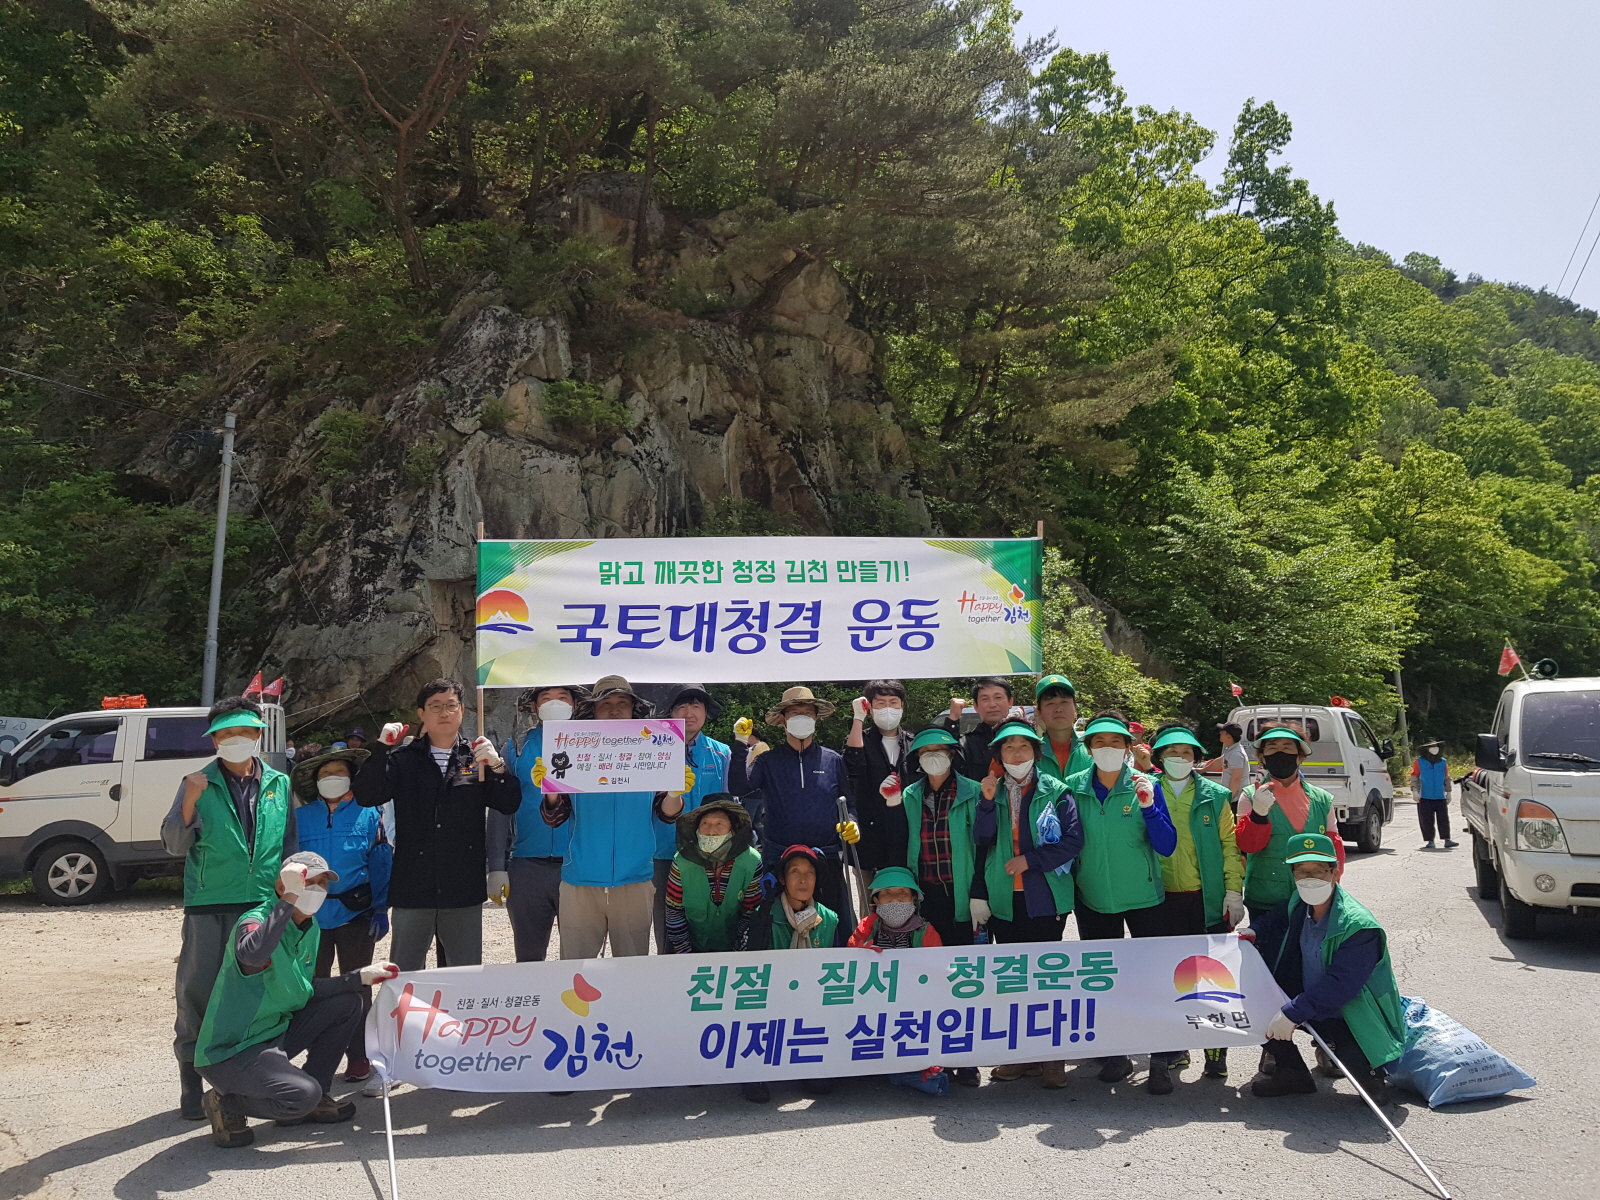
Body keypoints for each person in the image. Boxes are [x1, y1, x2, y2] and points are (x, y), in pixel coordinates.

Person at [194, 851, 400, 1147]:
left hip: (273, 1032)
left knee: (348, 1002)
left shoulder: (310, 928)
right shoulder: (255, 921)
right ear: (282, 887)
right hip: (234, 1049)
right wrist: (289, 899)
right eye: (307, 882)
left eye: (322, 883)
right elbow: (253, 955)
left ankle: (317, 1096)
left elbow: (303, 989)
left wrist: (359, 978)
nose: (316, 890)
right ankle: (224, 1102)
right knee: (302, 1096)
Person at [161, 695, 298, 1120]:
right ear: (214, 739)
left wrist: (287, 896)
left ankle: (246, 1076)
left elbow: (289, 845)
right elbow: (173, 844)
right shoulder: (197, 782)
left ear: (258, 734)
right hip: (210, 903)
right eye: (226, 733)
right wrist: (189, 800)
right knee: (197, 992)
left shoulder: (279, 783)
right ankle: (191, 1084)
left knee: (255, 992)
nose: (236, 739)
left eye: (244, 731)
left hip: (260, 903)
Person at [352, 678, 519, 971]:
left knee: (465, 974)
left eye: (451, 705)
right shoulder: (403, 759)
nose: (444, 713)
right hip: (413, 885)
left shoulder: (476, 758)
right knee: (404, 972)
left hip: (463, 885)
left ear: (463, 710)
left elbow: (509, 803)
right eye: (435, 706)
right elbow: (367, 795)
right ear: (421, 713)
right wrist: (381, 748)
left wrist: (497, 766)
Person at [1061, 711, 1178, 1091]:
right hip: (1093, 898)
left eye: (1115, 742)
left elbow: (1167, 845)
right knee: (1103, 981)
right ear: (1088, 748)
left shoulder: (1147, 784)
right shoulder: (1073, 787)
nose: (1107, 748)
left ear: (1128, 747)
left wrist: (1150, 807)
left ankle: (1160, 1056)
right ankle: (1115, 1052)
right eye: (1099, 742)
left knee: (1152, 979)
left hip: (1144, 897)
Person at [1249, 833, 1406, 1103]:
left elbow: (1340, 985)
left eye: (1319, 871)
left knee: (1371, 1091)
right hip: (1313, 1002)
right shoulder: (1300, 903)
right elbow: (1276, 919)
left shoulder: (1358, 926)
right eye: (1302, 871)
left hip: (1351, 1013)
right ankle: (1291, 1073)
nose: (1310, 879)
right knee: (1254, 1004)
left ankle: (1370, 1071)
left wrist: (1292, 1012)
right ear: (1293, 875)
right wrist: (1254, 931)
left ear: (1334, 872)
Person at [974, 719, 1084, 1090]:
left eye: (1024, 746)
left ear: (1036, 752)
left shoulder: (1057, 790)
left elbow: (1073, 841)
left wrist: (1030, 860)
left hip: (1045, 897)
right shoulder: (991, 791)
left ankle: (1052, 1058)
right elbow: (981, 839)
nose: (1017, 753)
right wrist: (986, 802)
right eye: (1008, 747)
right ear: (999, 755)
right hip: (1004, 898)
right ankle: (1020, 1055)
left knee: (1047, 980)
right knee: (1014, 981)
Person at [540, 676, 671, 959]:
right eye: (605, 703)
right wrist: (550, 788)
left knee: (633, 969)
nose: (614, 709)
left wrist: (675, 790)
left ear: (633, 708)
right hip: (580, 879)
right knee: (575, 968)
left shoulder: (654, 749)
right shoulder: (572, 748)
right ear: (593, 710)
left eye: (622, 702)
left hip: (635, 878)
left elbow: (668, 813)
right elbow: (554, 817)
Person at [1148, 723, 1245, 1083]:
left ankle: (1215, 1050)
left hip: (1205, 899)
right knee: (1169, 977)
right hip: (1160, 900)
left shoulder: (1214, 796)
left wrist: (1233, 891)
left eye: (1186, 752)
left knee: (1212, 978)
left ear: (1196, 758)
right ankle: (1175, 1048)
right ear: (1160, 757)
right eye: (1172, 752)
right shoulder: (1145, 789)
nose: (1179, 758)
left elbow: (1230, 846)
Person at [291, 747, 390, 1096]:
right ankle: (316, 1057)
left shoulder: (369, 813)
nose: (332, 778)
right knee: (312, 986)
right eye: (324, 773)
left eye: (339, 771)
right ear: (315, 782)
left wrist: (381, 907)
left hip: (355, 913)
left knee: (359, 985)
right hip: (310, 916)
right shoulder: (301, 817)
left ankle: (359, 1056)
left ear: (351, 778)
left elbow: (380, 860)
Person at [729, 686, 859, 921]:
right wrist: (740, 743)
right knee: (778, 925)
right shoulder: (767, 761)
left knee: (833, 926)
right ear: (783, 720)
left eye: (808, 713)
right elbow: (738, 787)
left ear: (816, 719)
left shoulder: (833, 760)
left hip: (826, 860)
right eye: (795, 713)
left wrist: (852, 822)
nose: (802, 717)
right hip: (780, 860)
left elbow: (848, 802)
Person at [486, 685, 584, 962]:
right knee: (528, 958)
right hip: (528, 867)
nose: (555, 704)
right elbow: (500, 809)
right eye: (546, 698)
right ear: (534, 707)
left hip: (579, 865)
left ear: (575, 705)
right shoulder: (516, 748)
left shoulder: (593, 745)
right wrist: (496, 866)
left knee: (579, 957)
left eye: (563, 698)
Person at [746, 844, 844, 1104]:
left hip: (811, 1006)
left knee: (821, 1086)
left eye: (810, 873)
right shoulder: (765, 915)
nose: (803, 879)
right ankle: (753, 1072)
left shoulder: (829, 919)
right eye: (795, 872)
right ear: (782, 879)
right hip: (770, 1004)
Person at [1234, 727, 1346, 926]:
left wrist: (1332, 887)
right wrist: (1258, 814)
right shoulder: (1250, 796)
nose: (1280, 753)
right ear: (1262, 757)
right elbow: (1247, 845)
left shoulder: (1322, 799)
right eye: (1272, 748)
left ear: (1300, 756)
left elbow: (1334, 847)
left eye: (1287, 747)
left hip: (1313, 897)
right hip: (1266, 900)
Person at [652, 684, 732, 949]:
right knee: (667, 928)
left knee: (711, 925)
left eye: (696, 706)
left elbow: (729, 805)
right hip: (663, 853)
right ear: (671, 712)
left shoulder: (722, 753)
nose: (689, 713)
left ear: (706, 712)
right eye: (682, 706)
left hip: (712, 854)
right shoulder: (652, 751)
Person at [664, 796, 764, 954]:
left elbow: (750, 912)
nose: (711, 831)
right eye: (705, 823)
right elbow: (674, 912)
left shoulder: (751, 861)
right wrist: (685, 953)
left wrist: (737, 954)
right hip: (691, 947)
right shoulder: (682, 861)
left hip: (735, 949)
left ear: (733, 830)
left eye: (719, 824)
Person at [843, 680, 920, 873]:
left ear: (902, 706)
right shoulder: (861, 739)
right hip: (869, 834)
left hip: (907, 831)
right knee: (869, 889)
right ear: (870, 708)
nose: (888, 708)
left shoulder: (914, 743)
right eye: (880, 703)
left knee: (905, 886)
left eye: (893, 703)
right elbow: (852, 765)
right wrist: (858, 718)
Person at [847, 866, 943, 948]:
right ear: (876, 901)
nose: (894, 899)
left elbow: (936, 959)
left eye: (902, 892)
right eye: (887, 893)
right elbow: (851, 954)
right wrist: (860, 952)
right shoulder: (866, 927)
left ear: (913, 899)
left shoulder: (926, 932)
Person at [947, 677, 1016, 782]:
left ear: (1010, 702)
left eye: (998, 697)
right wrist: (953, 719)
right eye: (985, 699)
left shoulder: (1025, 737)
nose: (992, 704)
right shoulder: (968, 743)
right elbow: (946, 758)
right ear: (976, 706)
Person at [1034, 675, 1091, 782]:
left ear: (1075, 709)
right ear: (1039, 712)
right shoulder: (1031, 753)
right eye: (1050, 703)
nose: (1058, 709)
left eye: (1064, 702)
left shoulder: (1093, 748)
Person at [1411, 740, 1458, 849]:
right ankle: (1430, 841)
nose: (1434, 748)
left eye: (1436, 746)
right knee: (1426, 820)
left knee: (1444, 819)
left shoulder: (1443, 762)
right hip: (1424, 796)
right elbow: (1414, 777)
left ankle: (1447, 839)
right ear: (1426, 749)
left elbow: (1446, 778)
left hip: (1440, 795)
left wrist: (1449, 792)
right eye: (1432, 746)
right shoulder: (1419, 762)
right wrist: (1415, 791)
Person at [1206, 722, 1249, 801]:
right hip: (1233, 798)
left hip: (1236, 800)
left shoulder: (1236, 754)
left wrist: (1228, 800)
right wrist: (1202, 770)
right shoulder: (1231, 750)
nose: (1220, 733)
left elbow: (1236, 779)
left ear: (1228, 736)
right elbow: (1219, 762)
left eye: (1222, 732)